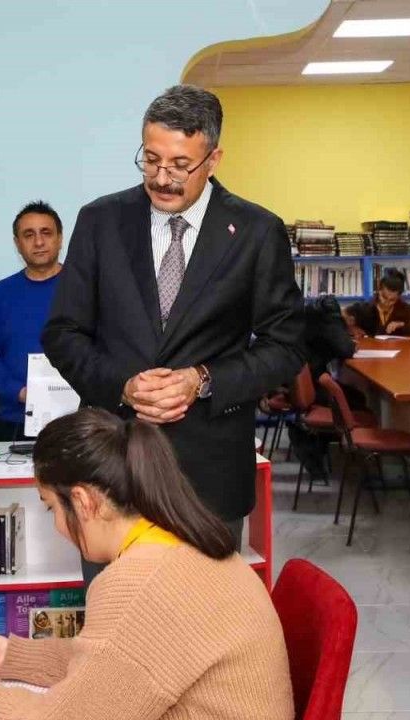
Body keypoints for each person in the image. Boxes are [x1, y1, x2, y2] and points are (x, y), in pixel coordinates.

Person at [41, 85, 304, 586]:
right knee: (114, 617)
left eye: (180, 165)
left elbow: (286, 345)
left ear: (214, 158)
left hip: (208, 474)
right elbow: (63, 332)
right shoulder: (100, 220)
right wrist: (122, 385)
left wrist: (202, 379)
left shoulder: (256, 231)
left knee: (200, 620)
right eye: (151, 159)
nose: (162, 178)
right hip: (112, 469)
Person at [0, 408, 294, 719]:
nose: (58, 527)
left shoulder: (139, 583)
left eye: (51, 508)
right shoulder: (180, 541)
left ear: (83, 502)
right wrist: (12, 657)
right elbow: (115, 668)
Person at [0, 201, 64, 438]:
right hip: (16, 419)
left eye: (46, 233)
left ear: (60, 239)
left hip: (80, 418)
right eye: (29, 235)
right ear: (17, 243)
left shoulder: (85, 288)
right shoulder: (0, 294)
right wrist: (19, 392)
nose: (39, 242)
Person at [288, 295, 358, 484]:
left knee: (353, 394)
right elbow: (346, 349)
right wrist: (343, 327)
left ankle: (323, 444)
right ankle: (331, 442)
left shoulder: (307, 317)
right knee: (358, 399)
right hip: (316, 385)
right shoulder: (328, 319)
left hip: (302, 383)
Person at [345, 269, 410, 339]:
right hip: (371, 350)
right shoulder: (366, 308)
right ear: (379, 291)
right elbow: (347, 326)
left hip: (398, 351)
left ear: (398, 297)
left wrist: (402, 325)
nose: (386, 303)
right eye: (384, 297)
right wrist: (355, 330)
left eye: (392, 300)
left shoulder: (404, 309)